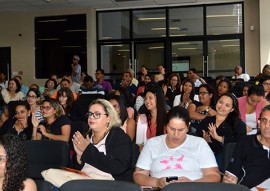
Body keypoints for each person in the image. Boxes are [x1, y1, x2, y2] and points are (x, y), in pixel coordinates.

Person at [133, 106, 221, 189]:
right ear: (166, 126)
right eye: (172, 129)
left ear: (188, 127)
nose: (176, 134)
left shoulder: (199, 144)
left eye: (180, 130)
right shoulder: (152, 143)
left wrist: (192, 184)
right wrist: (157, 182)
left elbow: (214, 176)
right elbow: (138, 175)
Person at [72, 99, 134, 181]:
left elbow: (118, 167)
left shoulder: (119, 137)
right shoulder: (86, 136)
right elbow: (76, 168)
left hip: (107, 184)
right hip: (83, 180)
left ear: (108, 117)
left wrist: (87, 150)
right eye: (90, 114)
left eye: (97, 114)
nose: (91, 117)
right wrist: (79, 156)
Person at [223, 105, 270, 188]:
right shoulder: (245, 143)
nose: (267, 125)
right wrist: (229, 180)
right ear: (259, 123)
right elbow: (231, 176)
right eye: (264, 120)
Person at [196, 93, 246, 170]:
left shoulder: (237, 123)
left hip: (226, 157)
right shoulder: (207, 120)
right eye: (220, 102)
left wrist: (218, 138)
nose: (222, 106)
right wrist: (203, 140)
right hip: (205, 155)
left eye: (227, 105)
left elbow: (240, 142)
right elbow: (196, 139)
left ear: (232, 109)